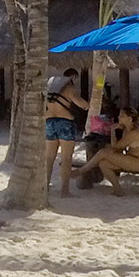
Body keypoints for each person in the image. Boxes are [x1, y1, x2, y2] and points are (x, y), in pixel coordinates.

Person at [77, 107, 139, 195]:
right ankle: (117, 189)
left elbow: (115, 147)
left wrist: (113, 132)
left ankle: (82, 170)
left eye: (122, 116)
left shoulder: (134, 133)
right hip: (131, 159)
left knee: (103, 152)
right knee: (103, 163)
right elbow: (118, 149)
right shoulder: (126, 130)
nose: (119, 117)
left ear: (129, 119)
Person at [44, 66, 87, 197]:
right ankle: (64, 190)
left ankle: (44, 187)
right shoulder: (69, 88)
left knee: (49, 158)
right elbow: (82, 104)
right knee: (66, 158)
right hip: (65, 123)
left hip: (50, 122)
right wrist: (88, 104)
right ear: (73, 77)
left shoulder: (50, 89)